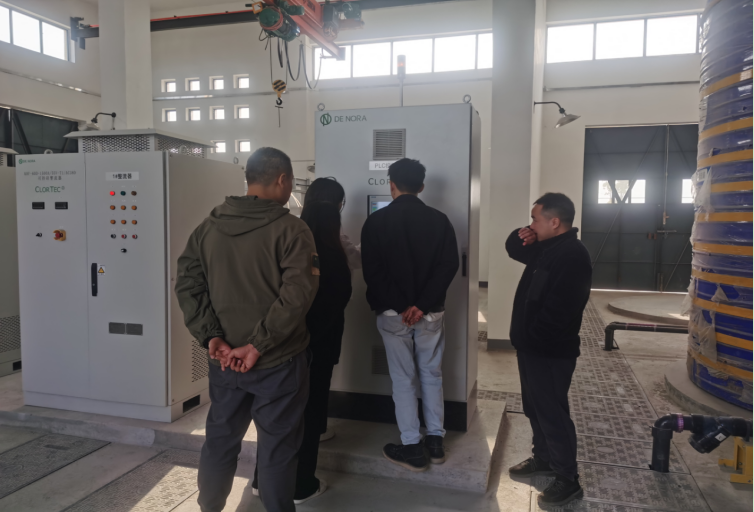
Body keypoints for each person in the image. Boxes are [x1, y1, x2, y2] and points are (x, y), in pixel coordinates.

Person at [175, 147, 319, 512]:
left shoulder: (207, 227)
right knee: (278, 448)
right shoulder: (293, 230)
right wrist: (257, 345)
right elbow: (298, 295)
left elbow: (188, 284)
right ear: (283, 180)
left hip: (224, 361)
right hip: (280, 362)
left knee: (220, 441)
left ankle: (209, 508)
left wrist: (212, 337)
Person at [361, 158, 459, 472]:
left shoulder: (376, 222)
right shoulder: (440, 220)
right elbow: (449, 266)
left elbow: (373, 272)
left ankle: (412, 446)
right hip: (430, 314)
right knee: (432, 374)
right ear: (421, 186)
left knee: (403, 379)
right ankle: (436, 442)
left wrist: (403, 306)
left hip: (393, 314)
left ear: (391, 185)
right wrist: (422, 305)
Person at [251, 201, 352, 504]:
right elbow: (336, 300)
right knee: (307, 412)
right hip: (313, 346)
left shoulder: (287, 241)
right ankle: (301, 485)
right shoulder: (331, 253)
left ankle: (261, 480)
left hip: (279, 343)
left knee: (274, 416)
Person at [505, 193, 592, 508]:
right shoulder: (547, 247)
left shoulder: (572, 255)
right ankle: (543, 458)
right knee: (535, 408)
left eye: (535, 219)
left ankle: (568, 480)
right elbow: (514, 249)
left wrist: (534, 338)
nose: (532, 224)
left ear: (554, 222)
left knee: (553, 414)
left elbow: (561, 310)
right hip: (532, 348)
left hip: (549, 352)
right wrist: (523, 235)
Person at [304, 177, 362, 271]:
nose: (341, 205)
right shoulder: (337, 241)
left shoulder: (297, 234)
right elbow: (358, 259)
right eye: (341, 201)